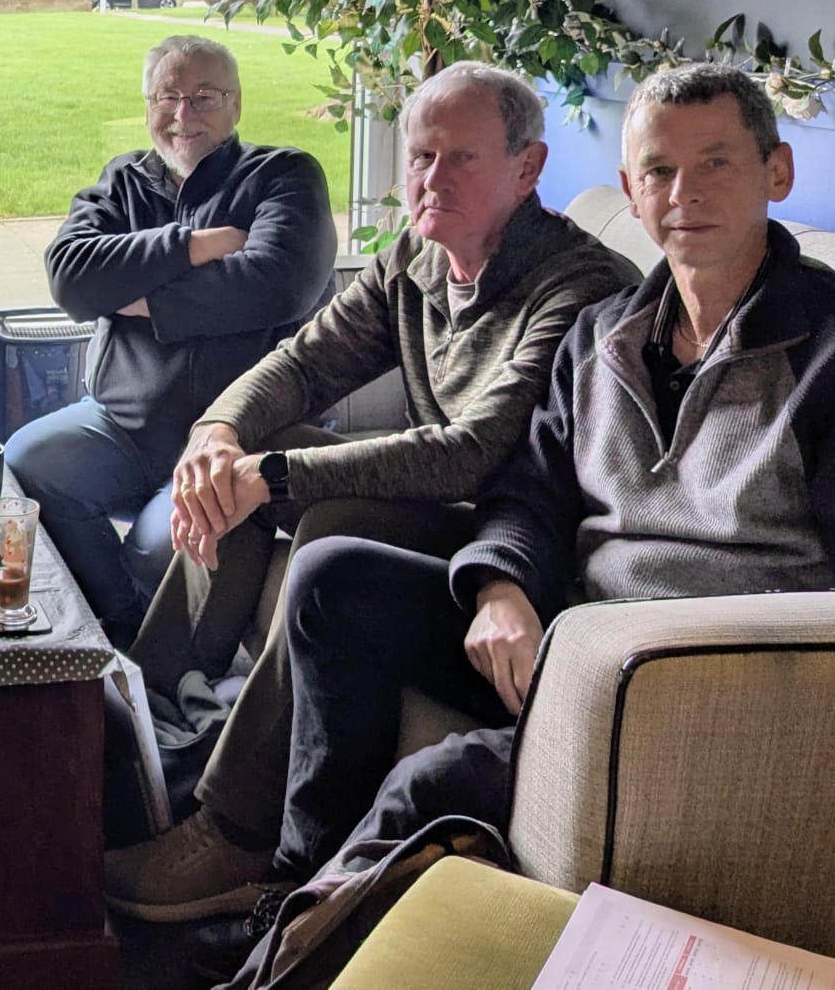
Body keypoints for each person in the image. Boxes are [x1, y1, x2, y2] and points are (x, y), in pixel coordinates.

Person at [240, 61, 835, 954]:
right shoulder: (605, 335)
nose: (684, 193)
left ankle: (284, 955)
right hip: (569, 636)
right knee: (332, 577)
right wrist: (501, 588)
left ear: (776, 172)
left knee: (431, 785)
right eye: (660, 170)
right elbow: (530, 491)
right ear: (631, 189)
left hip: (703, 683)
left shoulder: (822, 352)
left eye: (716, 163)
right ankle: (296, 885)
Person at [107, 61, 636, 922]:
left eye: (461, 158)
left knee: (331, 516)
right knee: (247, 456)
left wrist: (269, 475)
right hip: (444, 503)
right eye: (421, 155)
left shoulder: (577, 286)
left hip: (512, 538)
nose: (432, 178)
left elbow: (472, 455)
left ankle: (236, 829)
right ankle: (155, 710)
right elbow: (305, 363)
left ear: (528, 167)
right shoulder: (417, 260)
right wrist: (220, 432)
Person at [6, 35, 337, 648]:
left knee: (157, 545)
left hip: (234, 438)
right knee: (27, 462)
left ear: (236, 105)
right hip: (122, 423)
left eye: (204, 96)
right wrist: (196, 245)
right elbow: (71, 278)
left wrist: (134, 295)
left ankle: (144, 655)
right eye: (167, 97)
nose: (184, 114)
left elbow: (276, 286)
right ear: (149, 107)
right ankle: (125, 636)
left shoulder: (284, 176)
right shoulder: (123, 179)